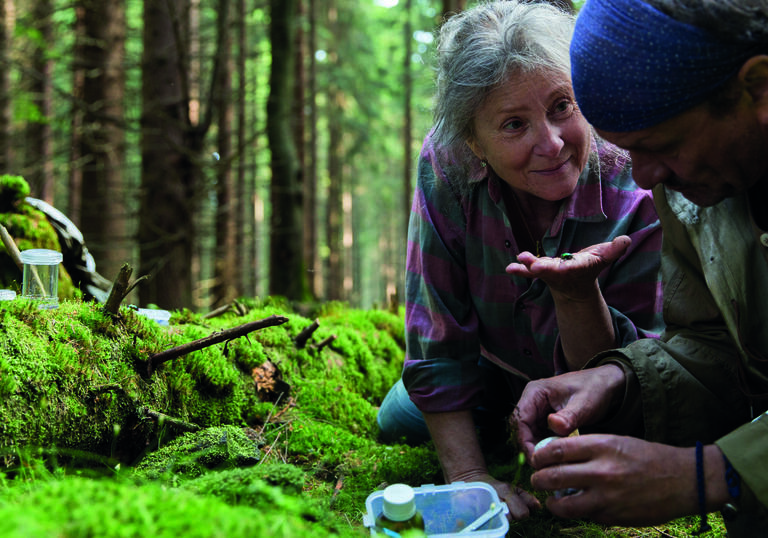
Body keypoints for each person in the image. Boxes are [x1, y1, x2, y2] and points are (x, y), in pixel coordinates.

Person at [375, 0, 664, 520]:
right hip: (491, 367)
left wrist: (577, 296)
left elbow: (641, 371)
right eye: (514, 124)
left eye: (562, 106)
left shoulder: (634, 173)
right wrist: (468, 478)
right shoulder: (446, 162)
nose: (550, 144)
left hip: (604, 386)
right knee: (399, 420)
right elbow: (437, 331)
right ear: (473, 142)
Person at [513, 0, 768, 535]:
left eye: (662, 145)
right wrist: (619, 380)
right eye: (629, 152)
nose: (647, 179)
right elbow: (718, 349)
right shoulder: (703, 184)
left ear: (759, 87)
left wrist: (706, 476)